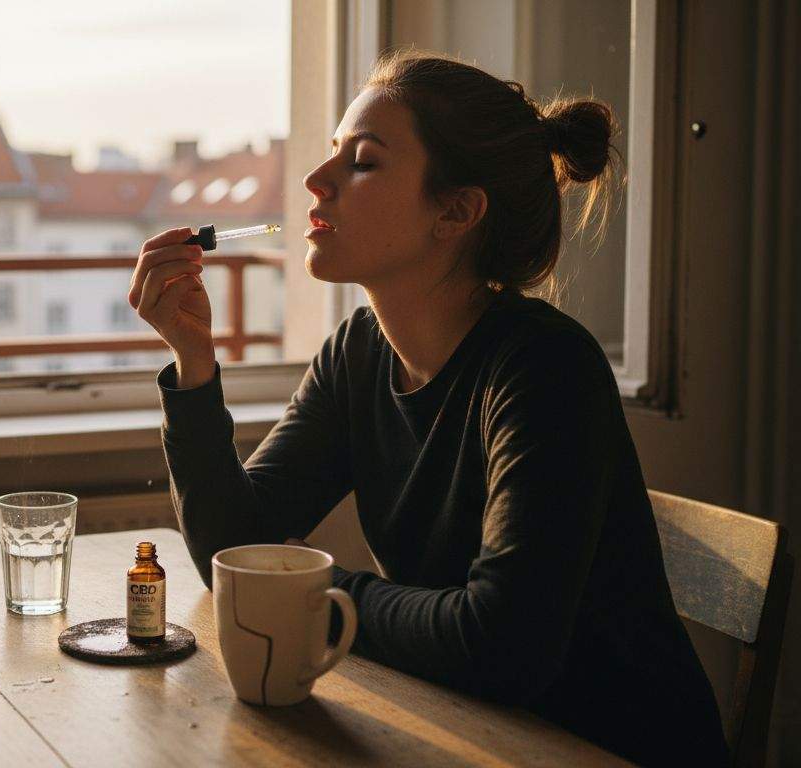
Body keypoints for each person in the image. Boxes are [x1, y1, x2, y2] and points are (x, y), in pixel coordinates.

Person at [128, 51, 727, 766]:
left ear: (456, 210)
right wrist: (195, 365)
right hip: (463, 731)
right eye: (331, 156)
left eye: (364, 162)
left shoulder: (544, 369)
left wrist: (314, 589)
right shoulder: (358, 352)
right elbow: (232, 551)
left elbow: (501, 646)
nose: (317, 182)